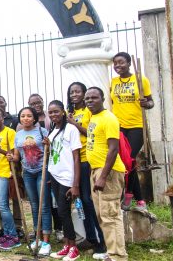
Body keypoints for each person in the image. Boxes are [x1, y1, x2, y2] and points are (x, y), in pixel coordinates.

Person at [85, 87, 127, 260]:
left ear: (102, 99)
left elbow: (114, 149)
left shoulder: (109, 118)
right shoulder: (94, 117)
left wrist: (102, 176)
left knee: (110, 215)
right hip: (96, 169)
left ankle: (117, 255)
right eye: (87, 99)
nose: (89, 101)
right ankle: (112, 251)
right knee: (103, 215)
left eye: (94, 98)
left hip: (108, 172)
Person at [111, 52, 154, 212]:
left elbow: (151, 102)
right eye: (115, 63)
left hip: (136, 126)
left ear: (129, 63)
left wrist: (146, 103)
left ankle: (128, 195)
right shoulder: (113, 82)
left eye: (121, 62)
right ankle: (140, 199)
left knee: (128, 160)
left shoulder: (140, 79)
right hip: (119, 126)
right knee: (126, 162)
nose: (117, 66)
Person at [67, 82, 106, 253]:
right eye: (71, 92)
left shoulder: (89, 112)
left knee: (88, 200)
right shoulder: (70, 112)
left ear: (83, 94)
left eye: (77, 91)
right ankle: (89, 237)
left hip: (86, 160)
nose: (74, 94)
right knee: (80, 200)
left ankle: (100, 240)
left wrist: (73, 123)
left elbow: (91, 133)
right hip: (72, 160)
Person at [44, 100, 82, 261]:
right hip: (55, 175)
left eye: (56, 111)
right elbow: (54, 154)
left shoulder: (71, 129)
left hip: (67, 177)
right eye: (50, 112)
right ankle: (67, 245)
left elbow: (76, 157)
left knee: (63, 212)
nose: (53, 115)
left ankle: (74, 248)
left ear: (63, 112)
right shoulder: (53, 130)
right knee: (60, 210)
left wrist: (75, 184)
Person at [14, 107, 51, 255]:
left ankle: (46, 242)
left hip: (42, 171)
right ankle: (38, 238)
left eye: (29, 116)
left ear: (34, 118)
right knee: (34, 205)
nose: (26, 118)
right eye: (23, 116)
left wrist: (48, 144)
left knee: (44, 205)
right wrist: (11, 157)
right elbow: (17, 156)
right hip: (28, 172)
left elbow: (51, 150)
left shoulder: (42, 131)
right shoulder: (18, 135)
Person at [0, 95, 23, 239]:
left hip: (5, 172)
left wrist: (0, 150)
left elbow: (15, 156)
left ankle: (12, 234)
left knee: (2, 204)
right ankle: (6, 232)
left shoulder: (10, 132)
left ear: (3, 117)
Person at [28, 93, 62, 242]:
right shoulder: (27, 123)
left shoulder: (50, 120)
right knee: (38, 202)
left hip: (47, 165)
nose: (36, 105)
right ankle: (39, 232)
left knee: (51, 202)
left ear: (42, 102)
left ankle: (58, 229)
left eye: (38, 102)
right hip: (31, 168)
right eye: (32, 103)